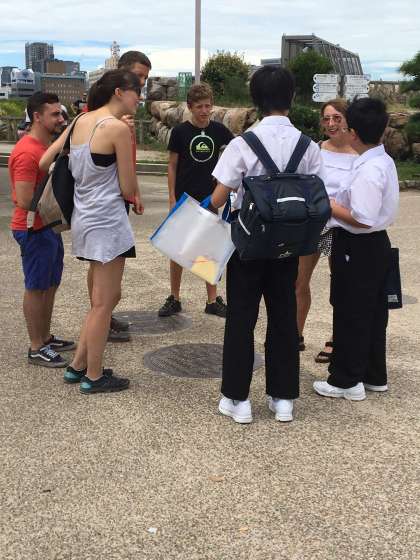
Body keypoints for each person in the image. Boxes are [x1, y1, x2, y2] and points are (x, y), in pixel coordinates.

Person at [210, 66, 324, 423]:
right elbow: (317, 192)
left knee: (241, 319)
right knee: (284, 317)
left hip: (248, 244)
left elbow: (218, 197)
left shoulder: (242, 144)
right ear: (292, 97)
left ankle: (238, 399)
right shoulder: (308, 146)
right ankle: (283, 398)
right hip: (288, 245)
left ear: (255, 99)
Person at [40, 70, 144, 394]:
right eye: (136, 91)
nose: (140, 98)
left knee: (105, 298)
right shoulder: (117, 129)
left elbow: (45, 161)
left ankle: (77, 365)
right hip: (109, 222)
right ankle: (94, 376)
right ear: (119, 92)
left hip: (84, 219)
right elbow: (127, 187)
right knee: (104, 302)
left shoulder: (78, 122)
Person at [313, 97, 399, 401]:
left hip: (357, 244)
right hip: (375, 244)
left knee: (350, 310)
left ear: (354, 133)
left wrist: (330, 205)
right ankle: (373, 374)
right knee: (373, 312)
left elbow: (362, 218)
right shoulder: (382, 160)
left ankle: (346, 380)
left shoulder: (368, 169)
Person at [9, 92, 74, 368]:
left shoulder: (43, 146)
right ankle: (36, 347)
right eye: (54, 114)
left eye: (61, 113)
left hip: (47, 226)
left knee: (50, 284)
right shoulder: (27, 152)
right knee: (36, 287)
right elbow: (25, 200)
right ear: (37, 116)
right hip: (32, 229)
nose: (60, 118)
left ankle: (45, 337)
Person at [158, 82, 234, 319]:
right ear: (190, 107)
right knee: (177, 248)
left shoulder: (219, 131)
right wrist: (172, 197)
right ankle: (174, 297)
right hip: (184, 198)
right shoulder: (180, 132)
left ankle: (212, 300)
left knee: (208, 249)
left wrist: (223, 181)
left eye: (208, 106)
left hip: (210, 199)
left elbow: (236, 152)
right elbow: (172, 165)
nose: (204, 111)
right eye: (199, 106)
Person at [94, 51, 152, 342]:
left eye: (145, 78)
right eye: (139, 76)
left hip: (118, 198)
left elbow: (128, 160)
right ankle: (99, 318)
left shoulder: (125, 114)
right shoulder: (106, 113)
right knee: (101, 264)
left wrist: (135, 193)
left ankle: (103, 315)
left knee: (110, 264)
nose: (142, 84)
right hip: (105, 202)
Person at [295, 99, 358, 361]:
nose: (331, 124)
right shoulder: (316, 149)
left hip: (341, 226)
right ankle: (295, 334)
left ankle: (336, 337)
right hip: (313, 223)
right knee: (298, 281)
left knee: (340, 284)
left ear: (347, 120)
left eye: (337, 118)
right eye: (326, 118)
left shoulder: (359, 153)